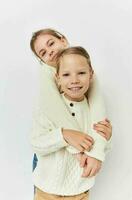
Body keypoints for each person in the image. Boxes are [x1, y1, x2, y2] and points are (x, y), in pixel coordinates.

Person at [30, 46, 111, 200]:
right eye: (66, 74)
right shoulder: (48, 108)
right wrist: (63, 135)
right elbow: (36, 143)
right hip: (46, 189)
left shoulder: (94, 111)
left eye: (81, 73)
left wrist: (107, 138)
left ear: (91, 75)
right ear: (58, 78)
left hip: (80, 191)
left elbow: (102, 148)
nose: (74, 80)